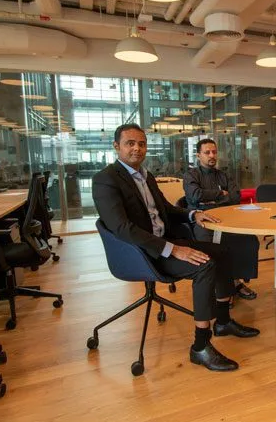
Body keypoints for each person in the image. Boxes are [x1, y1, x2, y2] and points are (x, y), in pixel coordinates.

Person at [92, 124, 259, 372]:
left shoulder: (146, 176)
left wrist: (194, 215)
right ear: (117, 146)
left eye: (141, 143)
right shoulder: (105, 179)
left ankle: (223, 322)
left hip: (165, 241)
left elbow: (167, 210)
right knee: (205, 265)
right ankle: (200, 347)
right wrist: (171, 249)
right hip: (143, 253)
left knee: (223, 253)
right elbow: (122, 228)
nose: (137, 148)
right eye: (130, 143)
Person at [183, 139, 260, 303]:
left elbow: (235, 197)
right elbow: (195, 195)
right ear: (198, 155)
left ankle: (235, 282)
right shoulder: (191, 175)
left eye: (214, 152)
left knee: (247, 239)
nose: (212, 155)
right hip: (201, 220)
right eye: (207, 152)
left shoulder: (224, 175)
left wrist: (210, 199)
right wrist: (220, 194)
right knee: (211, 246)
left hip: (225, 218)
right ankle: (220, 289)